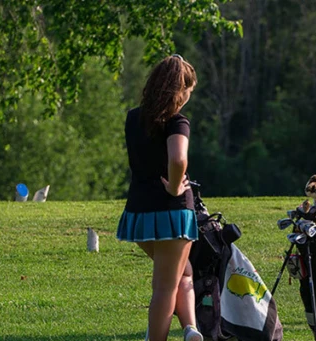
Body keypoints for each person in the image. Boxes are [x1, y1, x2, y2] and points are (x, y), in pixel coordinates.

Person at [116, 54, 204, 341]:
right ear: (181, 91)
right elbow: (178, 159)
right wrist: (175, 187)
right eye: (189, 92)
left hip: (139, 213)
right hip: (170, 213)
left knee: (184, 272)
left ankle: (190, 327)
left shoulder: (133, 117)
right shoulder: (177, 122)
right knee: (165, 287)